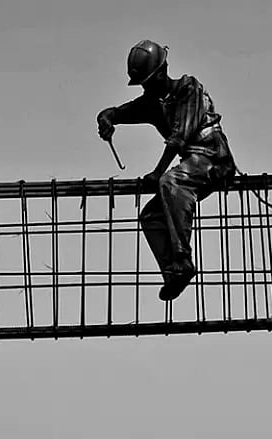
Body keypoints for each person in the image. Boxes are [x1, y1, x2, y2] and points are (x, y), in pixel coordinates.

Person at [97, 40, 237, 301]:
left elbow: (179, 138)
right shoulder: (153, 103)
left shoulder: (189, 90)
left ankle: (182, 259)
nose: (146, 87)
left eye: (149, 81)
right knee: (151, 215)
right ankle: (174, 273)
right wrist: (106, 118)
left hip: (214, 160)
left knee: (171, 182)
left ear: (163, 71)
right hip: (192, 164)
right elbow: (118, 112)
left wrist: (158, 172)